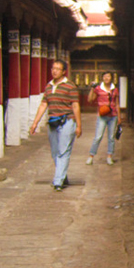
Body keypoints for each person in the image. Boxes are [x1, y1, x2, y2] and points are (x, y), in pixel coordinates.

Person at [30, 59, 81, 192]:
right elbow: (43, 104)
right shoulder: (49, 86)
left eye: (58, 69)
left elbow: (75, 105)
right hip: (53, 121)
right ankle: (62, 176)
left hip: (67, 121)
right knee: (55, 152)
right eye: (53, 68)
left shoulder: (70, 86)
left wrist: (79, 125)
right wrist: (35, 123)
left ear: (64, 71)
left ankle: (58, 181)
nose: (54, 71)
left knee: (63, 151)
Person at [86, 71, 121, 165]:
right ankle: (91, 156)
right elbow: (90, 99)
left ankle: (109, 156)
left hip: (113, 116)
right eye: (104, 76)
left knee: (111, 137)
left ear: (111, 78)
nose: (106, 78)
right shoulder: (98, 88)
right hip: (102, 116)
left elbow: (117, 104)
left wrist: (119, 117)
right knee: (98, 136)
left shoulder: (115, 89)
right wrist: (92, 88)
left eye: (108, 76)